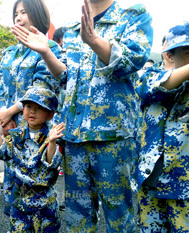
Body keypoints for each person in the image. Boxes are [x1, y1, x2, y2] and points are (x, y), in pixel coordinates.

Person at [11, 0, 153, 231]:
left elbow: (134, 60)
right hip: (75, 137)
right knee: (78, 218)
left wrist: (95, 41)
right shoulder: (73, 28)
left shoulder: (133, 15)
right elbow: (65, 76)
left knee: (118, 217)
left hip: (112, 138)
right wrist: (47, 51)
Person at [132, 23, 189, 232]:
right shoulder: (150, 78)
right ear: (169, 56)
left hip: (184, 189)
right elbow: (154, 87)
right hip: (150, 182)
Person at [0, 87, 65, 232]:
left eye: (39, 108)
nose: (32, 111)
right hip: (20, 201)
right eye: (28, 106)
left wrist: (51, 142)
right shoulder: (16, 135)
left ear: (49, 115)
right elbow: (3, 153)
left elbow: (51, 163)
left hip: (44, 202)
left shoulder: (53, 134)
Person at [0, 0, 62, 128]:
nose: (18, 18)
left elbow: (41, 87)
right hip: (6, 127)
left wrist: (10, 112)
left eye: (23, 12)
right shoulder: (9, 53)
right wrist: (3, 114)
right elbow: (1, 87)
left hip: (34, 128)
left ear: (37, 14)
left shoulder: (50, 48)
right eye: (16, 14)